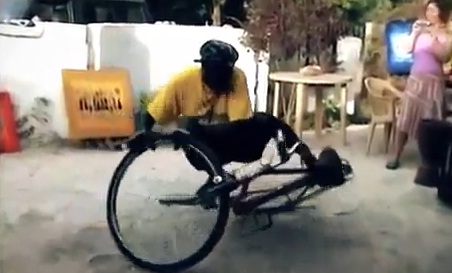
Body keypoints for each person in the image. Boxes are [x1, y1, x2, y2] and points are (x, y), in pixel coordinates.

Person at [386, 0, 452, 170]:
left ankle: (428, 161)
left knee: (431, 122)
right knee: (406, 119)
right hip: (416, 79)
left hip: (433, 82)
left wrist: (432, 35)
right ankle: (396, 155)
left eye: (433, 10)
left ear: (440, 13)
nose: (429, 13)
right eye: (428, 10)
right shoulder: (420, 30)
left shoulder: (446, 34)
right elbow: (407, 49)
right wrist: (415, 33)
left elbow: (444, 56)